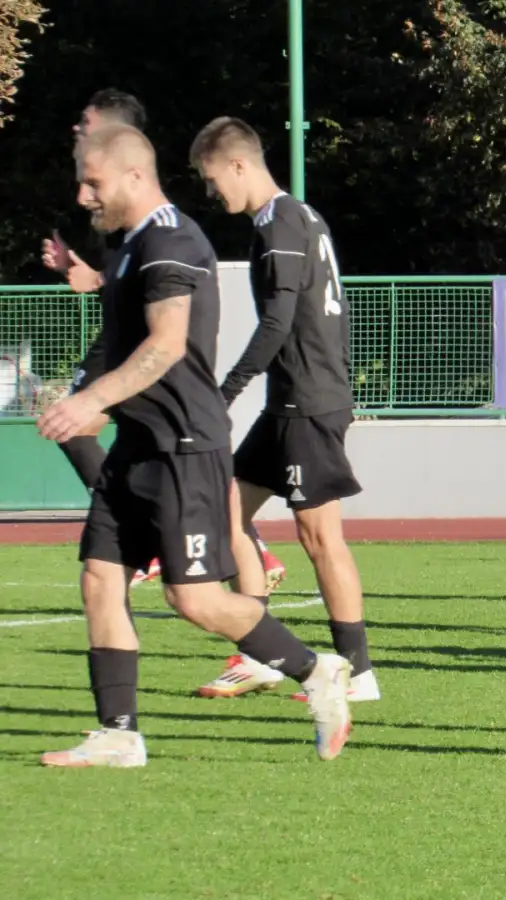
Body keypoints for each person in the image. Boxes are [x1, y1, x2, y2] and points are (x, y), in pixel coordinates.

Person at [34, 125, 351, 767]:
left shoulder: (172, 241)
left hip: (185, 447)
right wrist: (86, 274)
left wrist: (91, 400)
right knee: (100, 577)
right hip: (137, 445)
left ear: (133, 178)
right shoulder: (128, 245)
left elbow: (167, 342)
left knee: (196, 601)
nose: (82, 194)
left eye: (92, 181)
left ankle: (318, 671)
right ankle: (119, 733)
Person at [39, 90, 286, 592]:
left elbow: (163, 313)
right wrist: (87, 275)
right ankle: (226, 550)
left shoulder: (161, 222)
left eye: (86, 121)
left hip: (152, 363)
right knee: (111, 574)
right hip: (134, 351)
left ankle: (288, 641)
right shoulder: (120, 208)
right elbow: (129, 277)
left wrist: (98, 392)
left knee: (78, 424)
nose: (76, 128)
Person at [186, 117, 378, 704]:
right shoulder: (293, 217)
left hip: (307, 402)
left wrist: (225, 391)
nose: (212, 192)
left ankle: (357, 673)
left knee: (321, 537)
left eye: (212, 177)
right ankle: (260, 654)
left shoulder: (281, 224)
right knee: (225, 509)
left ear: (239, 164)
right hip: (291, 402)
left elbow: (280, 320)